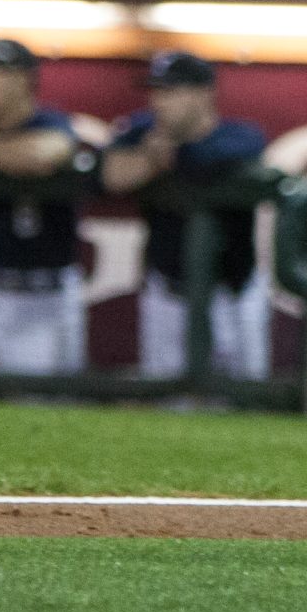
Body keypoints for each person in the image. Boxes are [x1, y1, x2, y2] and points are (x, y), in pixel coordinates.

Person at [102, 51, 272, 380]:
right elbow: (109, 175)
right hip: (167, 294)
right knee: (168, 408)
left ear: (204, 93)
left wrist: (171, 156)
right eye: (156, 91)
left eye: (171, 92)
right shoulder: (141, 131)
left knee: (244, 407)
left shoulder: (238, 135)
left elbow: (220, 154)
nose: (159, 102)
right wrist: (151, 160)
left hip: (231, 295)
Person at [0, 40, 94, 374]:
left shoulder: (49, 122)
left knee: (37, 408)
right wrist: (4, 156)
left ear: (22, 81)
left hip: (43, 295)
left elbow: (45, 152)